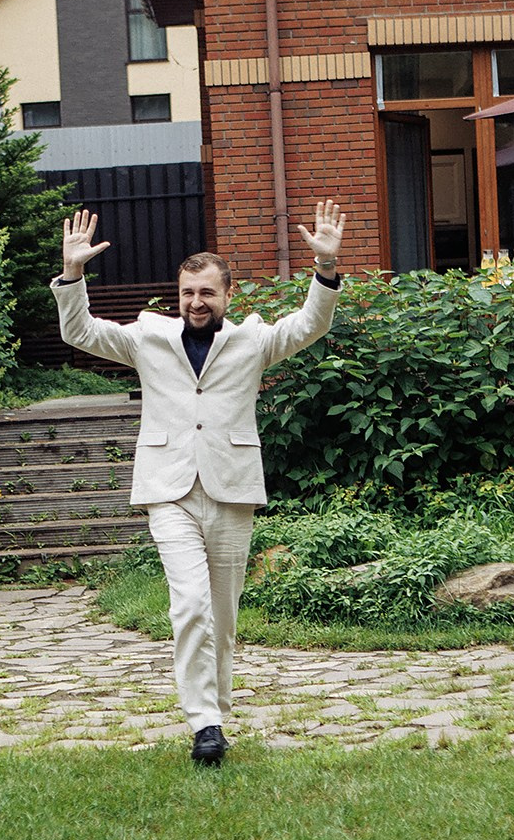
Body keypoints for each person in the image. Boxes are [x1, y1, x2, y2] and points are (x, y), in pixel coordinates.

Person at [53, 203, 347, 765]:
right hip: (168, 490)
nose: (196, 302)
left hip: (231, 488)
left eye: (207, 292)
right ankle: (204, 723)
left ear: (227, 294)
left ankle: (217, 710)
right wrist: (72, 274)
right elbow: (81, 331)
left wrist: (325, 267)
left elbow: (310, 325)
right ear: (178, 294)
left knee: (222, 615)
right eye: (188, 292)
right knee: (190, 605)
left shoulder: (253, 341)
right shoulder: (148, 337)